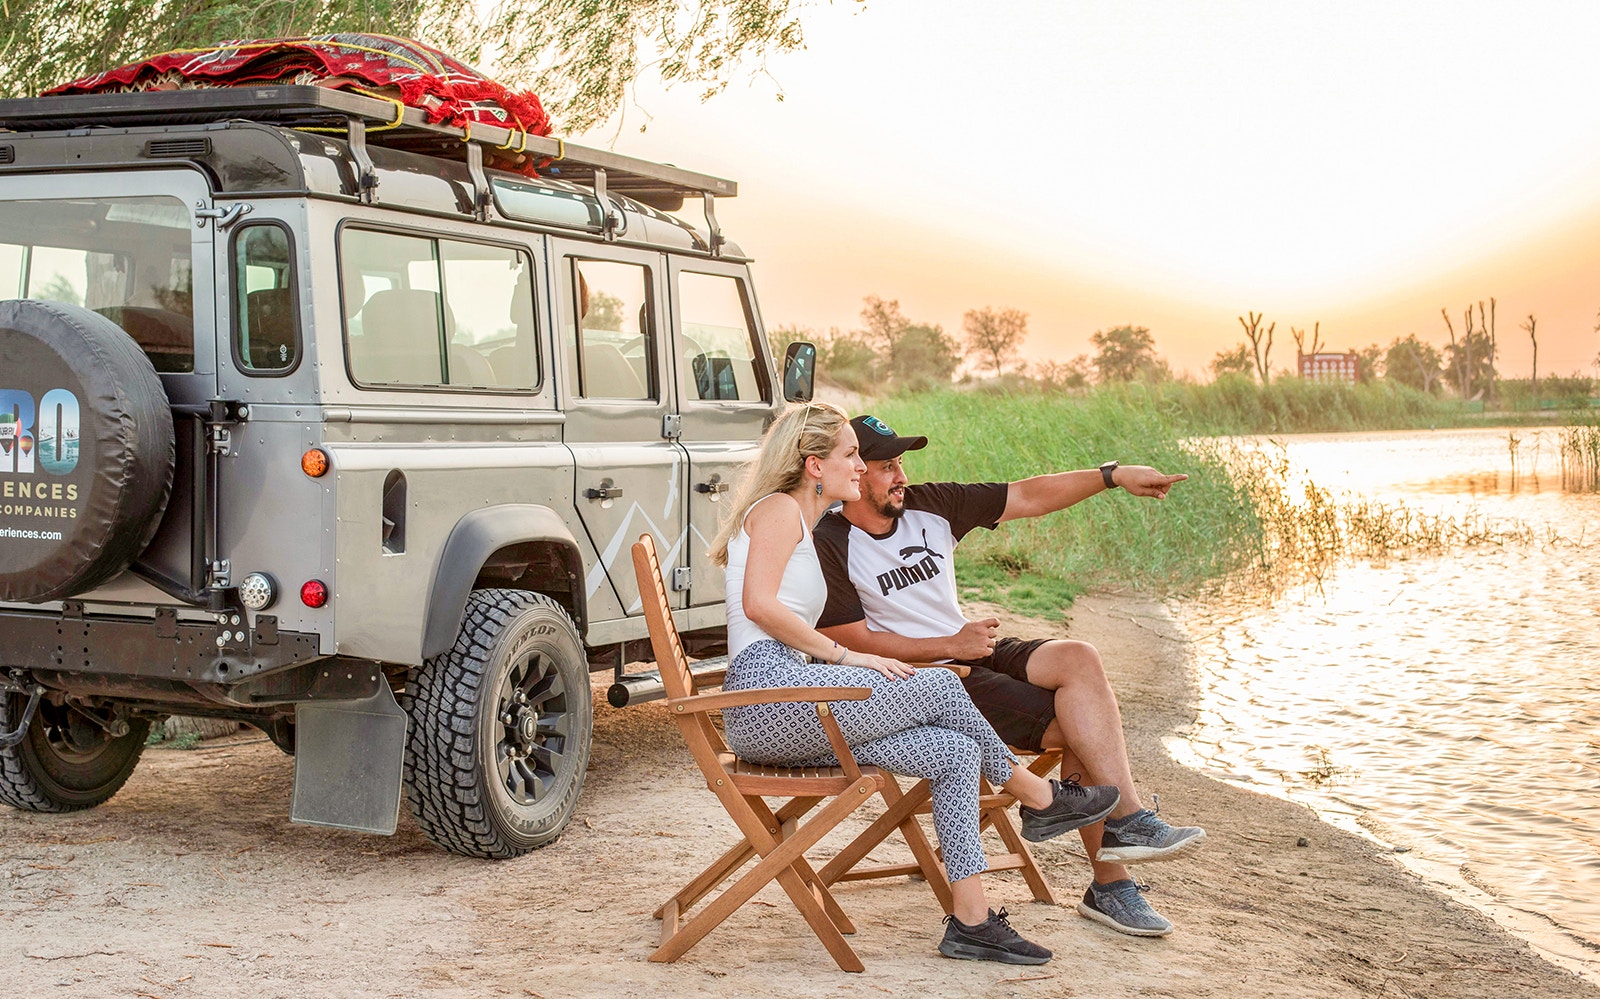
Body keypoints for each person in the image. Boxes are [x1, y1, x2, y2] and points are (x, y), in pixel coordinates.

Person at [709, 401, 1121, 965]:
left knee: (953, 752)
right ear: (812, 465)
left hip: (800, 698)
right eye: (852, 454)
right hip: (769, 701)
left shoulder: (805, 523)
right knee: (941, 687)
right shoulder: (780, 510)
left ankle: (971, 922)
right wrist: (846, 655)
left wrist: (844, 658)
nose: (860, 466)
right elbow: (758, 606)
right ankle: (1039, 796)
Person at [813, 413, 1207, 939]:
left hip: (972, 647)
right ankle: (1111, 884)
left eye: (900, 463)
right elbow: (850, 638)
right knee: (1078, 728)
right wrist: (949, 646)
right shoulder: (830, 541)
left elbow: (1028, 496)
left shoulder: (932, 505)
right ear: (856, 472)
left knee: (1079, 657)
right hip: (927, 677)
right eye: (887, 466)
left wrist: (1112, 476)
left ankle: (1127, 819)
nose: (900, 475)